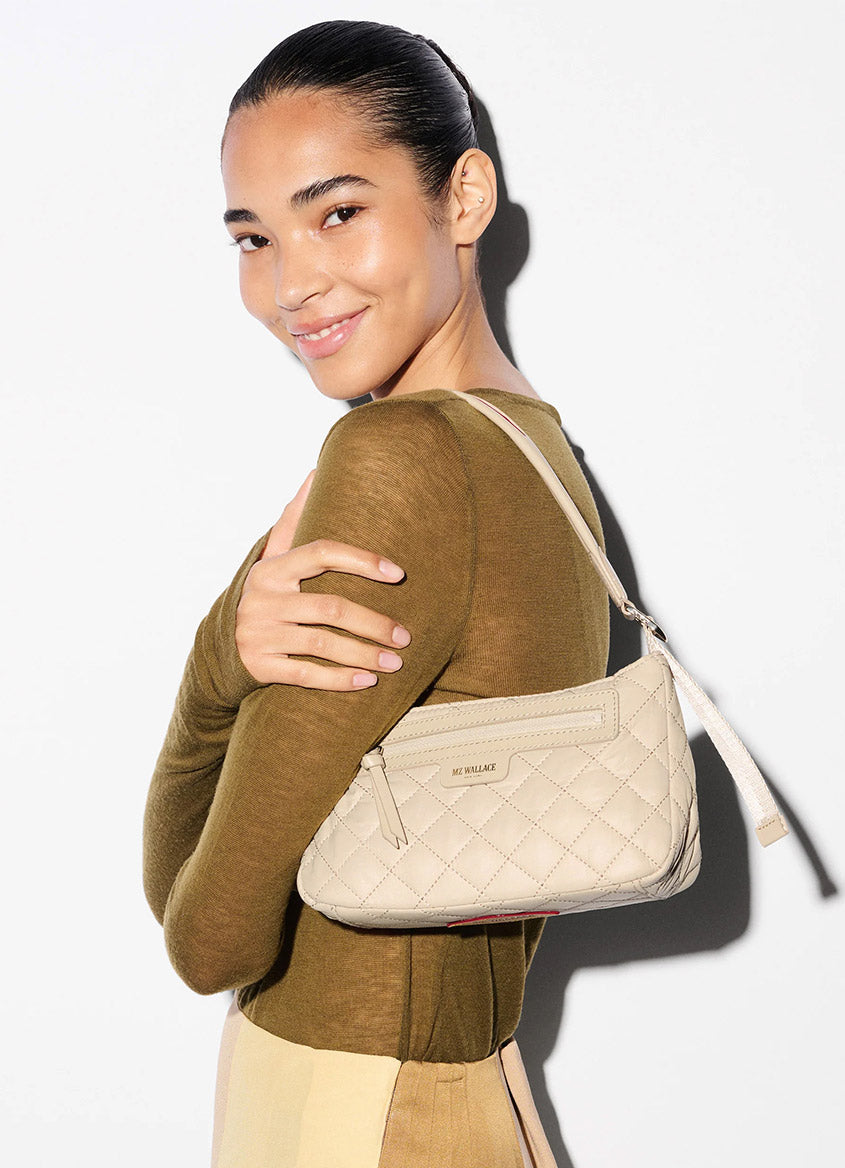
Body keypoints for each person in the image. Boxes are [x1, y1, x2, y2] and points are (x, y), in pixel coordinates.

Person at [142, 19, 609, 1168]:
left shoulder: (400, 459)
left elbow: (205, 933)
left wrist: (219, 664)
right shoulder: (539, 453)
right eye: (253, 236)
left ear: (464, 196)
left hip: (352, 1114)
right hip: (458, 1091)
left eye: (336, 211)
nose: (290, 285)